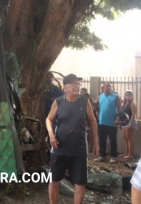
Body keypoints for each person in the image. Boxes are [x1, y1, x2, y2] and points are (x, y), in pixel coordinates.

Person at [46, 74, 99, 204]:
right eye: (73, 84)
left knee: (80, 185)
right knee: (54, 181)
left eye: (78, 84)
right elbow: (49, 119)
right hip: (59, 148)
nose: (77, 86)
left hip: (79, 150)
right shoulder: (58, 102)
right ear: (65, 87)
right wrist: (51, 135)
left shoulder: (84, 101)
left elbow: (92, 120)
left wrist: (96, 142)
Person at [94, 82, 122, 163]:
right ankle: (102, 155)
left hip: (112, 123)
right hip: (102, 121)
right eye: (107, 86)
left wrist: (117, 119)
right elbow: (97, 106)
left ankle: (113, 156)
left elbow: (120, 110)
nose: (108, 88)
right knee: (102, 139)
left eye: (110, 86)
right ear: (103, 87)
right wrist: (94, 103)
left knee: (113, 140)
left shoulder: (116, 96)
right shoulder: (100, 96)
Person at [118, 90, 137, 159]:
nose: (128, 97)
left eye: (129, 95)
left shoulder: (132, 104)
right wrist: (120, 124)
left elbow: (133, 115)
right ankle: (126, 152)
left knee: (129, 138)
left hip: (130, 122)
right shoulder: (124, 104)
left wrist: (131, 124)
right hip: (124, 122)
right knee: (125, 138)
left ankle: (130, 154)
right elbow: (122, 115)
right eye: (126, 95)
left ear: (132, 97)